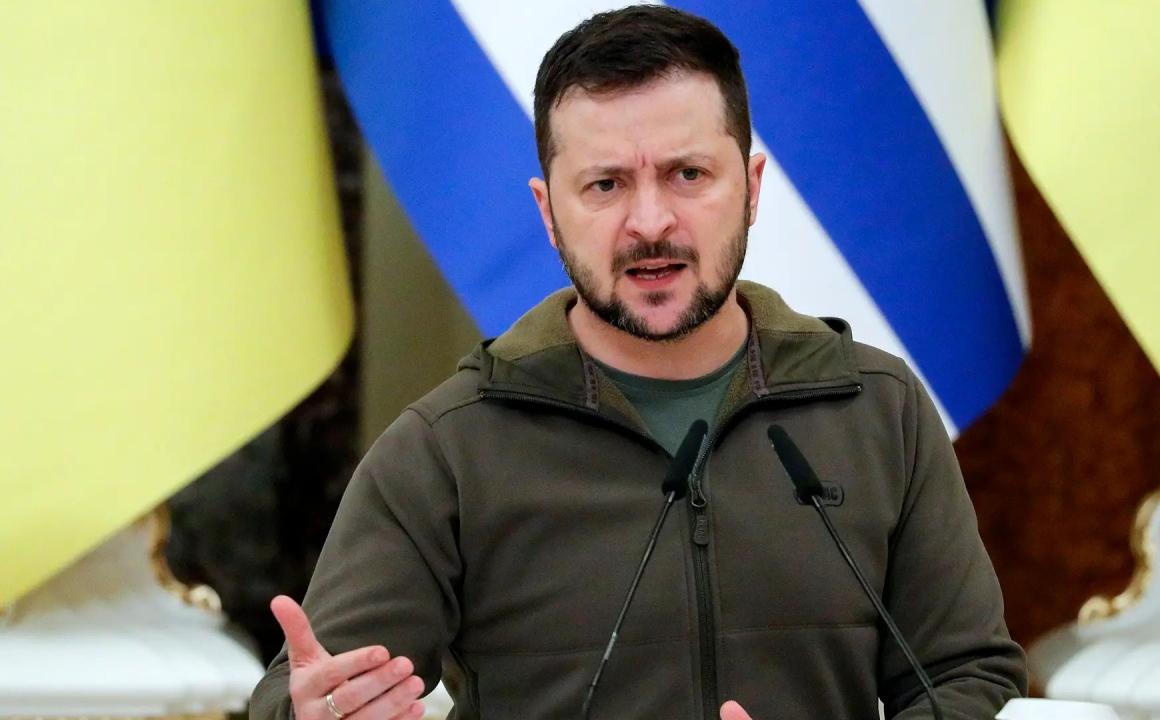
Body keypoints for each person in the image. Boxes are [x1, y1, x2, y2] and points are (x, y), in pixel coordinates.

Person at [249, 6, 1027, 719]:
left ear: (751, 187)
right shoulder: (449, 447)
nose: (650, 223)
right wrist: (314, 711)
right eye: (606, 185)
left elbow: (967, 675)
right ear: (548, 212)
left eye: (688, 175)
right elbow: (312, 688)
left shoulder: (879, 408)